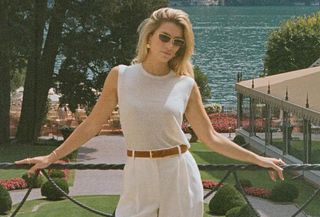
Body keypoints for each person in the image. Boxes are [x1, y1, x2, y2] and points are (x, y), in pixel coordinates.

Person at [16, 7, 285, 217]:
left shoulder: (186, 85)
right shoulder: (120, 76)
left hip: (178, 171)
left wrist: (260, 160)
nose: (169, 45)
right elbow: (91, 125)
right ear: (148, 38)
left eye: (177, 42)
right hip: (138, 171)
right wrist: (52, 156)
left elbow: (211, 137)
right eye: (164, 37)